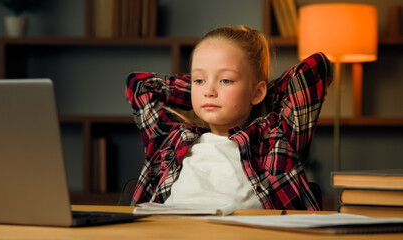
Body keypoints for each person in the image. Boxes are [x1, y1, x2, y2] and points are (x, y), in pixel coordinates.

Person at [125, 25, 332, 210]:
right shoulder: (171, 139)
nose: (209, 91)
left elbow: (316, 68)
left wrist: (261, 96)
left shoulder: (276, 140)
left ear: (257, 92)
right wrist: (202, 91)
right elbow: (139, 85)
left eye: (225, 80)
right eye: (198, 79)